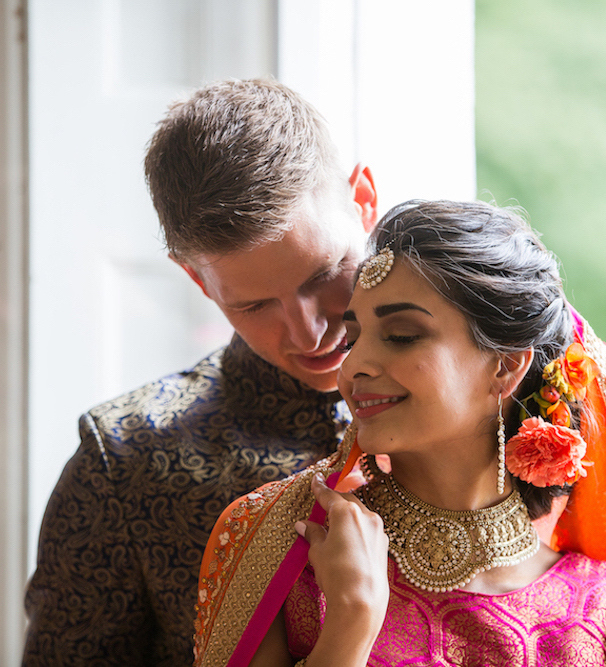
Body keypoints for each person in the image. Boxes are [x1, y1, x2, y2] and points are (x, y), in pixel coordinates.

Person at [193, 200, 606, 666]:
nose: (353, 366)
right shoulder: (292, 554)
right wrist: (350, 626)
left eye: (402, 336)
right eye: (353, 337)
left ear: (505, 367)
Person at [22, 79, 377, 664]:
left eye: (323, 274)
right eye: (255, 305)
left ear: (363, 200)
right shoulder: (124, 462)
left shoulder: (494, 397)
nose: (308, 332)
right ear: (197, 280)